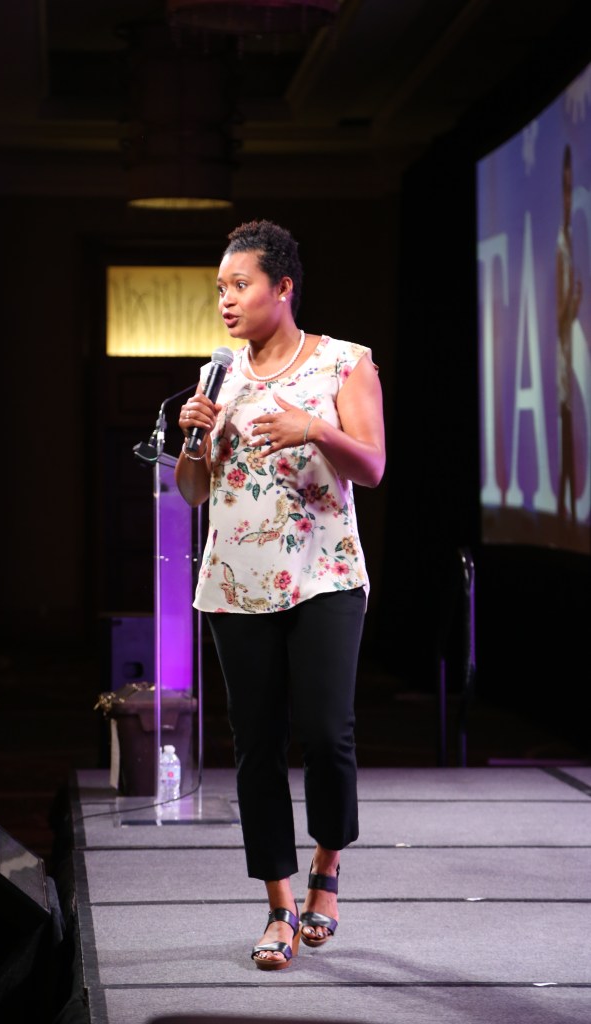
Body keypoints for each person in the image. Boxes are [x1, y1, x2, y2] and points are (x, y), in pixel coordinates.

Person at [175, 219, 385, 970]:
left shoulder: (343, 364)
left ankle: (328, 871)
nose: (226, 301)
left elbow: (371, 467)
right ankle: (279, 905)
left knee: (326, 732)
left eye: (240, 285)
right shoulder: (217, 375)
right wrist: (192, 441)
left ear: (282, 288)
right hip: (235, 581)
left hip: (323, 573)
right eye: (220, 289)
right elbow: (194, 491)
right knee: (255, 746)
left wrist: (312, 429)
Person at [556, 144, 583, 527]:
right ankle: (566, 510)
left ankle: (568, 509)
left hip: (566, 357)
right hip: (560, 361)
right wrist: (573, 303)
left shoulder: (570, 238)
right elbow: (558, 315)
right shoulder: (562, 244)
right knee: (565, 433)